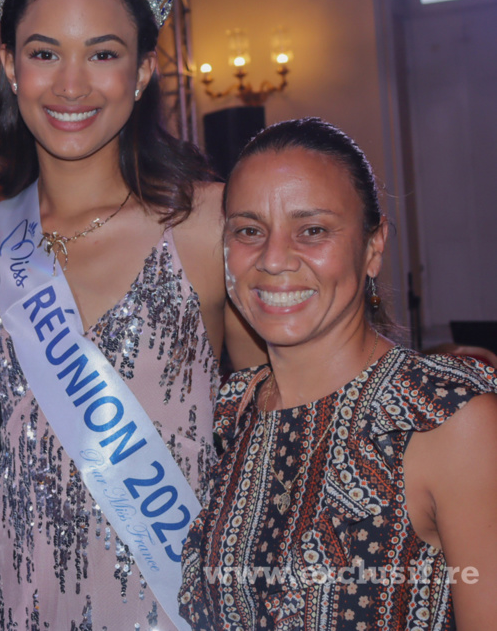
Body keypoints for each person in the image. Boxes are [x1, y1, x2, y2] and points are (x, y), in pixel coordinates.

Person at [0, 0, 265, 629]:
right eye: (44, 52)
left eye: (102, 53)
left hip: (171, 597)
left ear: (143, 71)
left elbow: (278, 420)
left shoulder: (207, 221)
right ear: (9, 66)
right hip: (24, 592)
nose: (72, 84)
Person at [178, 118, 497, 630]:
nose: (274, 259)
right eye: (249, 231)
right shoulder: (236, 412)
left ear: (373, 246)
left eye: (313, 231)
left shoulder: (446, 421)